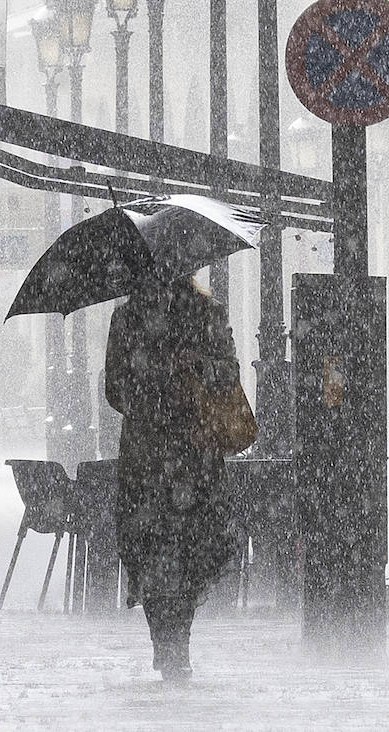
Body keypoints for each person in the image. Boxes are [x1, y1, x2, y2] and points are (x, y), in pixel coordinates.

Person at [105, 275, 240, 681]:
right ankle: (165, 641)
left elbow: (228, 373)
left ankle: (176, 640)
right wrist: (154, 385)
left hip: (193, 453)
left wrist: (194, 366)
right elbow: (115, 388)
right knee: (150, 550)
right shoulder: (127, 319)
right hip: (147, 459)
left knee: (192, 549)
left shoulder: (207, 315)